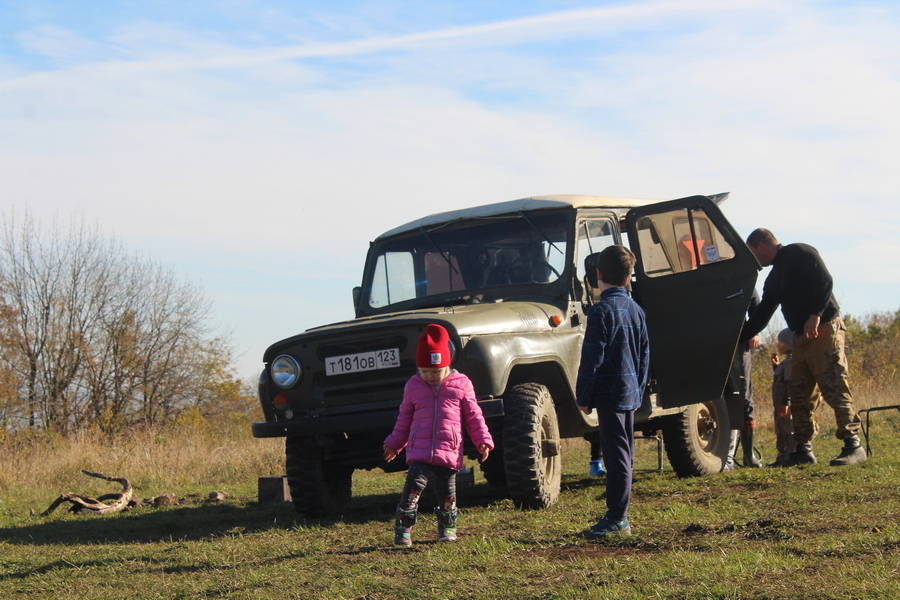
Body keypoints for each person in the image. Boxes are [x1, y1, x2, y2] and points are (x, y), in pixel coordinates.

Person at [740, 228, 865, 466]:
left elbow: (825, 281)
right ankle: (802, 450)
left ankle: (853, 445)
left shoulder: (800, 252)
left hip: (824, 329)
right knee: (798, 393)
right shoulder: (775, 277)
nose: (755, 260)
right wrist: (740, 336)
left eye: (753, 254)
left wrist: (815, 314)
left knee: (834, 386)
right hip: (800, 338)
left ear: (760, 247)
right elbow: (764, 311)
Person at [383, 324, 494, 547]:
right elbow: (404, 419)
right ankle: (403, 529)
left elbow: (474, 415)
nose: (430, 376)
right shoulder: (413, 386)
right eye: (425, 371)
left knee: (447, 494)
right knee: (412, 488)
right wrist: (395, 444)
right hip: (419, 451)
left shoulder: (461, 384)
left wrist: (482, 440)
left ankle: (447, 528)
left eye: (436, 371)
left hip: (449, 451)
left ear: (447, 364)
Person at [576, 245, 650, 538]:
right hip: (630, 392)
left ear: (598, 274)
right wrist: (639, 389)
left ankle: (618, 519)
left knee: (616, 454)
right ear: (630, 276)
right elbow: (644, 355)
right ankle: (619, 515)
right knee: (624, 453)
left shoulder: (600, 311)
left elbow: (591, 358)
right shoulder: (637, 310)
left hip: (609, 393)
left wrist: (584, 396)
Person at [769, 328, 822, 466]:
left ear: (789, 343)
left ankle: (792, 456)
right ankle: (783, 457)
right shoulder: (785, 361)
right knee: (781, 429)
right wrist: (776, 367)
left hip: (786, 404)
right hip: (779, 404)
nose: (778, 345)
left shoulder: (793, 360)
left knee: (789, 430)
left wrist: (786, 402)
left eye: (780, 342)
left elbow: (790, 382)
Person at [724, 289, 763, 470]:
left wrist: (754, 331)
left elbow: (756, 308)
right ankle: (725, 455)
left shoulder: (742, 274)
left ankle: (747, 455)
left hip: (740, 340)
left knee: (743, 396)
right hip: (713, 338)